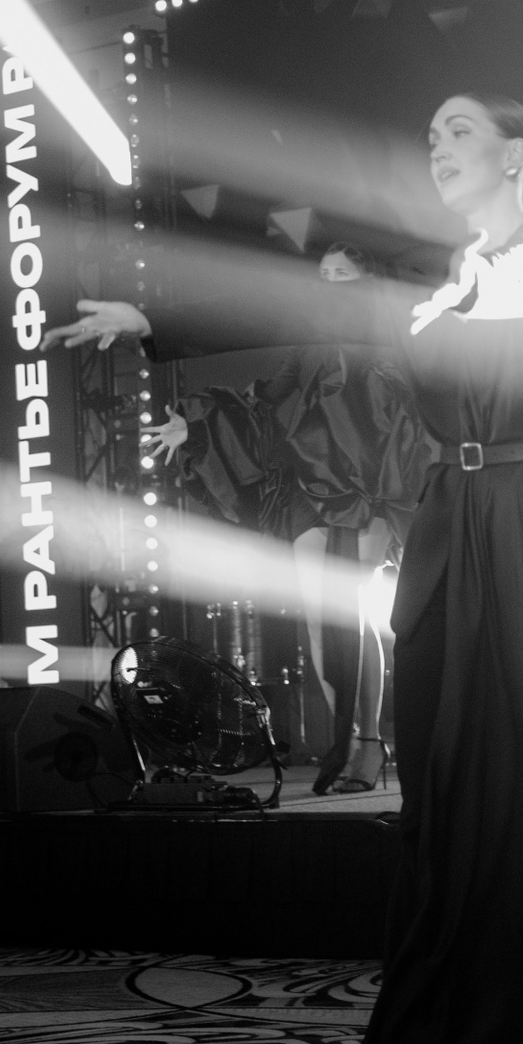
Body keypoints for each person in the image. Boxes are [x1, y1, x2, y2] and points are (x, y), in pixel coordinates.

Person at [49, 93, 523, 1044]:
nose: (439, 142)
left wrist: (388, 284)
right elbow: (311, 316)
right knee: (450, 776)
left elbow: (488, 301)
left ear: (521, 156)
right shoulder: (445, 278)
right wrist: (158, 323)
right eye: (431, 133)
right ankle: (458, 1032)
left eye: (462, 129)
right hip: (460, 522)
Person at [133, 241, 426, 792]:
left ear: (367, 279)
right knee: (320, 622)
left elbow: (415, 406)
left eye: (343, 274)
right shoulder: (308, 340)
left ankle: (369, 743)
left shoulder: (393, 331)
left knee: (351, 615)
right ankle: (346, 742)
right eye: (324, 274)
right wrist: (194, 424)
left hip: (366, 487)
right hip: (310, 487)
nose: (331, 283)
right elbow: (263, 399)